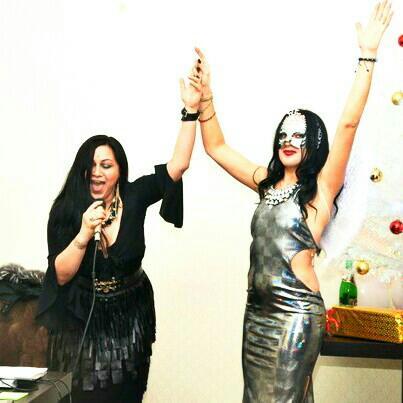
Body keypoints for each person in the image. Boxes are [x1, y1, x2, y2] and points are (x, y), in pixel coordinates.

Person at [195, 2, 392, 402]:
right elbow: (216, 147)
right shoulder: (266, 184)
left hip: (295, 314)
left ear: (313, 143)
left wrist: (368, 55)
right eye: (284, 134)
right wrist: (206, 99)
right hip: (257, 314)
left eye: (299, 136)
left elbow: (348, 123)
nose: (289, 141)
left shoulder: (322, 189)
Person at [36, 63, 202, 402]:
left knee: (126, 392)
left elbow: (178, 165)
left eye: (106, 165)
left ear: (119, 170)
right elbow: (61, 275)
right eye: (91, 165)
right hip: (83, 318)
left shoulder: (135, 195)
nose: (97, 172)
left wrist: (191, 111)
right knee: (85, 393)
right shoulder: (66, 209)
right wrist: (84, 233)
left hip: (131, 314)